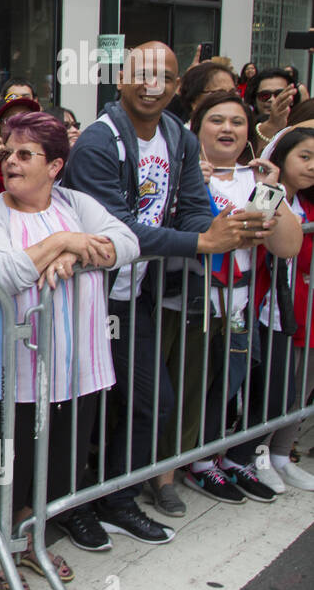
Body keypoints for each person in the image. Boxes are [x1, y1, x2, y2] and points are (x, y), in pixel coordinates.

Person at [64, 41, 269, 545]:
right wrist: (202, 241)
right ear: (122, 79)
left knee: (150, 403)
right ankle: (75, 505)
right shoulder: (98, 141)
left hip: (138, 297)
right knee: (85, 410)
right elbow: (117, 230)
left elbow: (193, 209)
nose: (153, 83)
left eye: (165, 76)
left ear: (178, 87)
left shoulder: (177, 135)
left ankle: (113, 499)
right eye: (143, 72)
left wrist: (223, 224)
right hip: (88, 298)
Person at [0, 112, 139, 588]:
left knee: (54, 461)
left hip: (72, 364)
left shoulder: (78, 204)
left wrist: (74, 251)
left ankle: (30, 543)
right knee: (5, 463)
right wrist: (63, 241)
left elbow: (126, 241)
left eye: (26, 155)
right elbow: (0, 273)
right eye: (9, 153)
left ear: (56, 166)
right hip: (10, 366)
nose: (12, 163)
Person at [150, 93, 300, 509]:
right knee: (177, 395)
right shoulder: (184, 173)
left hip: (236, 308)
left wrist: (272, 189)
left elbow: (286, 245)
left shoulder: (256, 181)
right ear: (196, 129)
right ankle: (162, 479)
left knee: (219, 392)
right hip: (184, 307)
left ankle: (202, 461)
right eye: (217, 120)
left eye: (237, 121)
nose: (228, 129)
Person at [236, 127, 314, 494]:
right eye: (305, 156)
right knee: (266, 392)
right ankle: (244, 458)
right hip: (258, 309)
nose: (312, 166)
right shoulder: (266, 192)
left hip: (288, 311)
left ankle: (273, 457)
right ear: (280, 157)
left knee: (286, 394)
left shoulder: (307, 204)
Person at [248, 69, 299, 144]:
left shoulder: (301, 127)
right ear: (254, 99)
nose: (272, 100)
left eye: (279, 94)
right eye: (265, 95)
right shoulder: (244, 128)